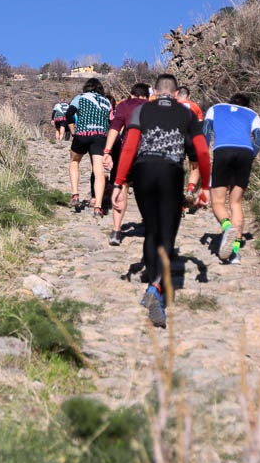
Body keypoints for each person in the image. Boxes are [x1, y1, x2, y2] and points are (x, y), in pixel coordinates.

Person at [112, 74, 211, 326]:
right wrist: (205, 186)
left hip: (143, 171)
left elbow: (129, 147)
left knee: (152, 230)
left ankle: (150, 277)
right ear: (177, 93)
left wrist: (118, 182)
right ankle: (156, 288)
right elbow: (200, 151)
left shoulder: (142, 110)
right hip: (170, 172)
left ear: (155, 92)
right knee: (167, 234)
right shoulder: (187, 114)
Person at [203, 93, 260, 264]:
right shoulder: (252, 114)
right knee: (236, 203)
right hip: (245, 152)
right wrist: (251, 156)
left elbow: (206, 130)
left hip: (223, 151)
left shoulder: (215, 108)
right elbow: (258, 138)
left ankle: (227, 227)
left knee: (218, 202)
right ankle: (235, 253)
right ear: (247, 104)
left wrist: (204, 153)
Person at [102, 82, 152, 246]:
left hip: (127, 153)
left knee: (121, 188)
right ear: (147, 96)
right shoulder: (153, 106)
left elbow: (114, 129)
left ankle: (116, 231)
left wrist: (107, 151)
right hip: (148, 154)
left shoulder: (124, 105)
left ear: (131, 94)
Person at [66, 78, 112, 216]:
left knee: (74, 161)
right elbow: (111, 121)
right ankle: (98, 207)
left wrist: (73, 131)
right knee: (99, 172)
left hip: (82, 133)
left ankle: (75, 195)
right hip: (100, 136)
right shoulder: (107, 102)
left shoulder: (80, 97)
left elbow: (69, 113)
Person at [174, 84, 205, 207]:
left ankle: (178, 198)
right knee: (195, 165)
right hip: (192, 138)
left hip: (176, 139)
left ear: (176, 95)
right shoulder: (195, 107)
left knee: (177, 167)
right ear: (189, 96)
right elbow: (200, 126)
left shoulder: (173, 107)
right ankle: (190, 190)